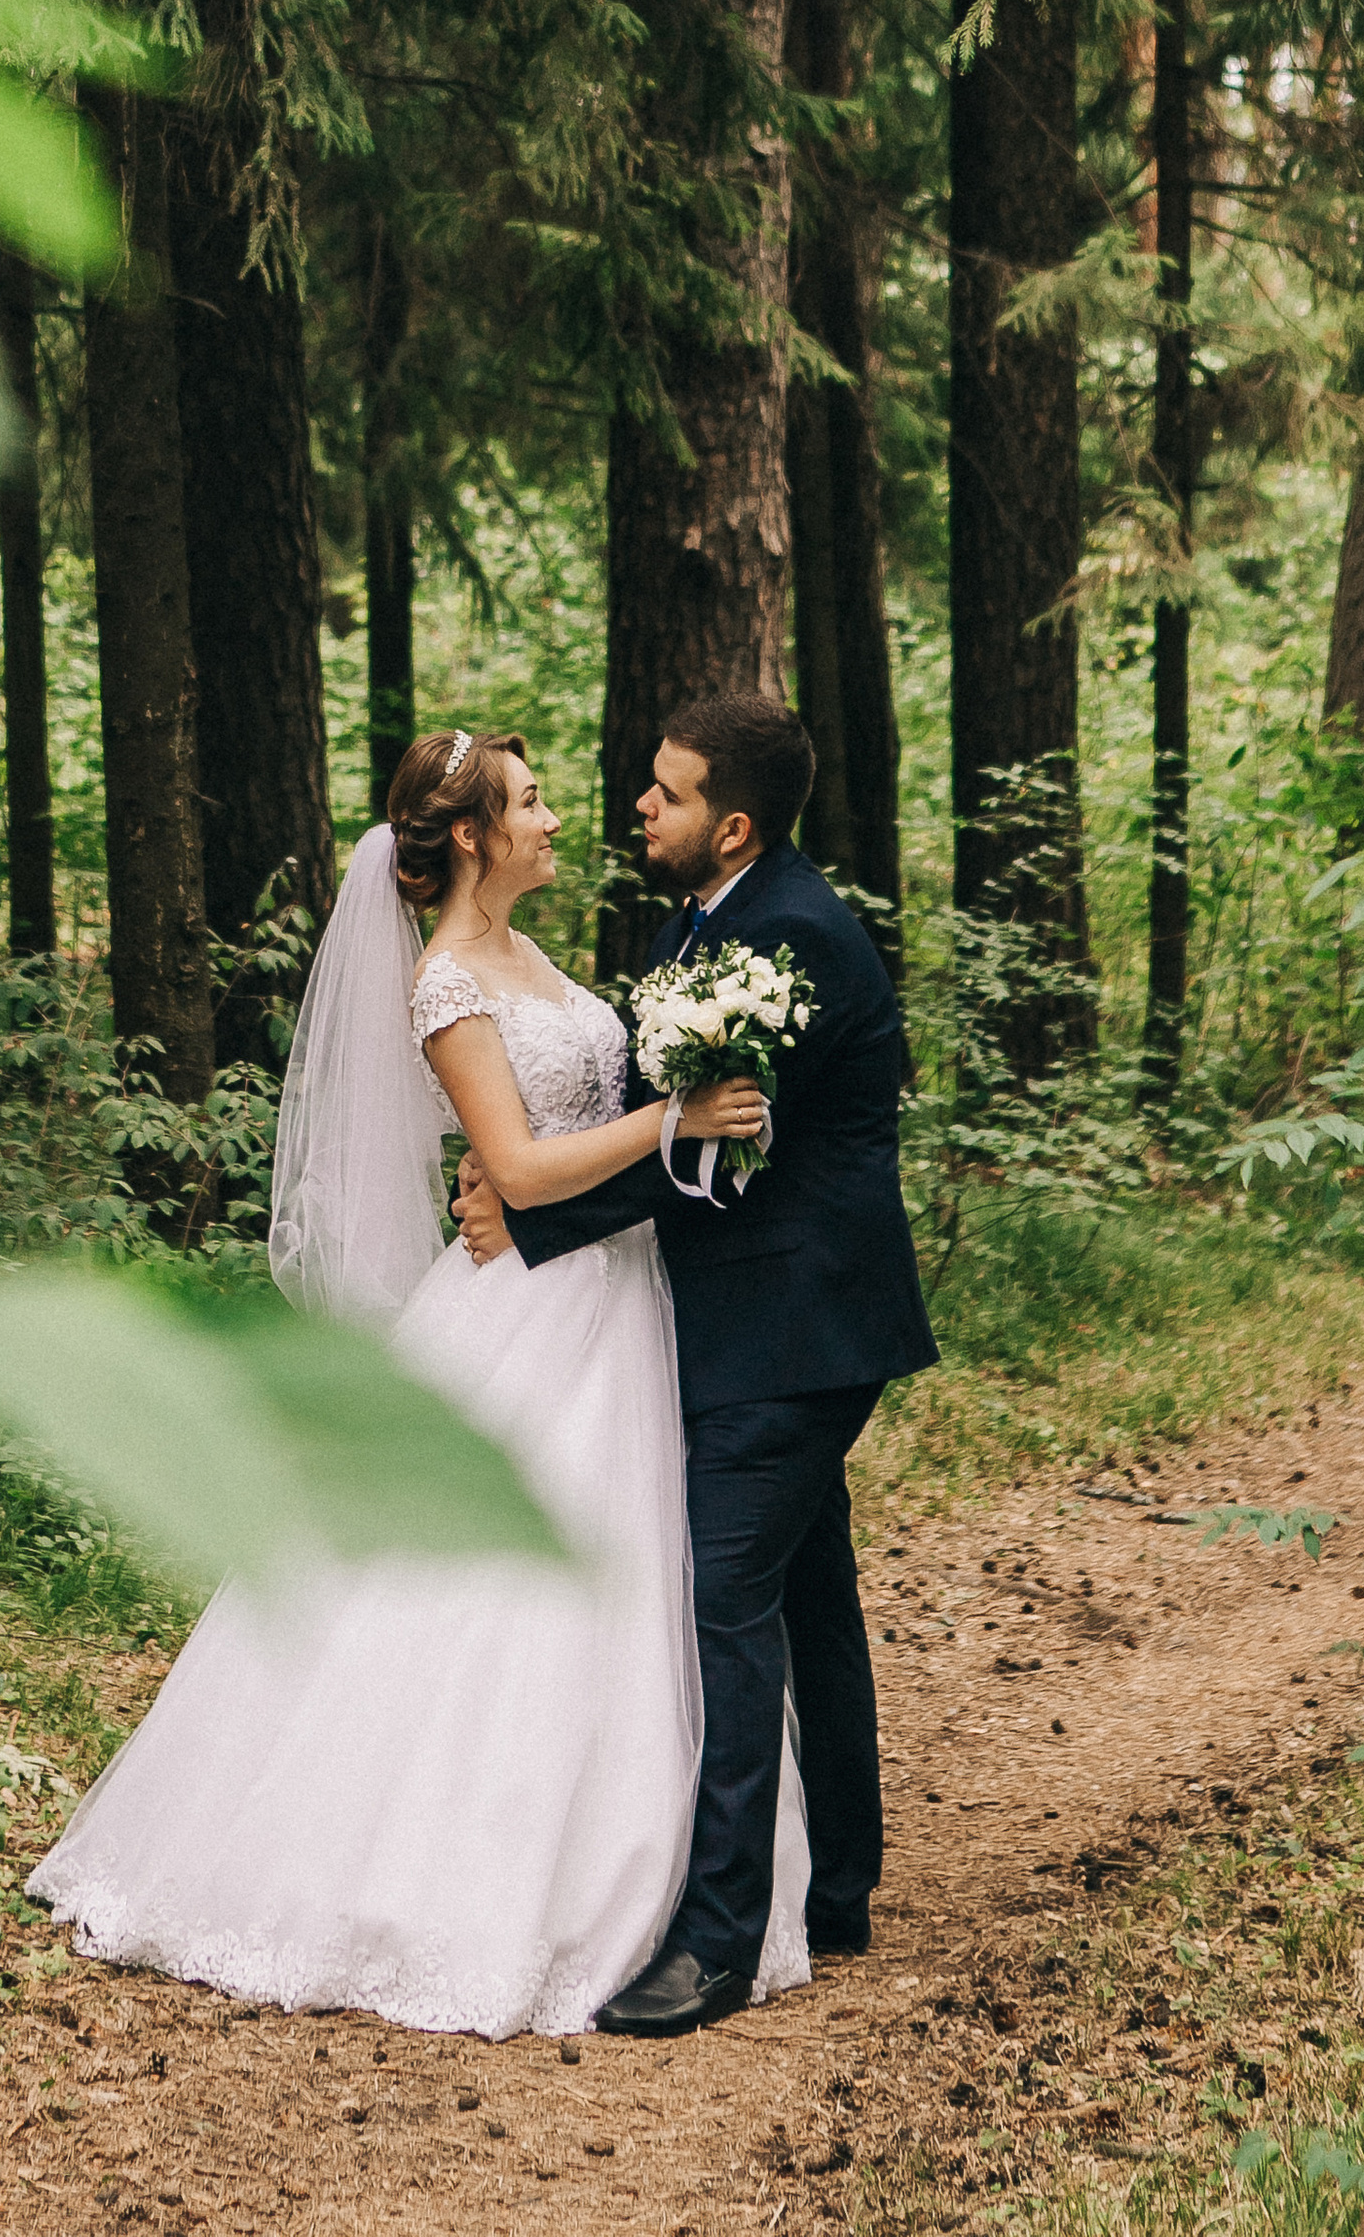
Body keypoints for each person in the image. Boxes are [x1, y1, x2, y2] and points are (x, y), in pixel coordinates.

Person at [25, 726, 804, 2039]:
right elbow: (526, 1167)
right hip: (529, 1305)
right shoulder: (445, 981)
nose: (554, 818)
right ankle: (440, 1882)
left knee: (629, 1576)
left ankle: (658, 1875)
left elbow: (557, 1132)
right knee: (485, 1589)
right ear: (474, 837)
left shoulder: (532, 957)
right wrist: (674, 1121)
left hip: (618, 1297)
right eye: (531, 801)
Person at [454, 691, 938, 2036]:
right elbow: (654, 1115)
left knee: (725, 1602)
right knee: (809, 1595)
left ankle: (719, 1941)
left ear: (730, 825)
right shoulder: (710, 922)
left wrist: (531, 1218)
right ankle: (836, 1885)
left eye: (665, 794)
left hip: (794, 1324)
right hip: (764, 1316)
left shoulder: (790, 935)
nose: (639, 807)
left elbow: (721, 1142)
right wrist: (519, 1174)